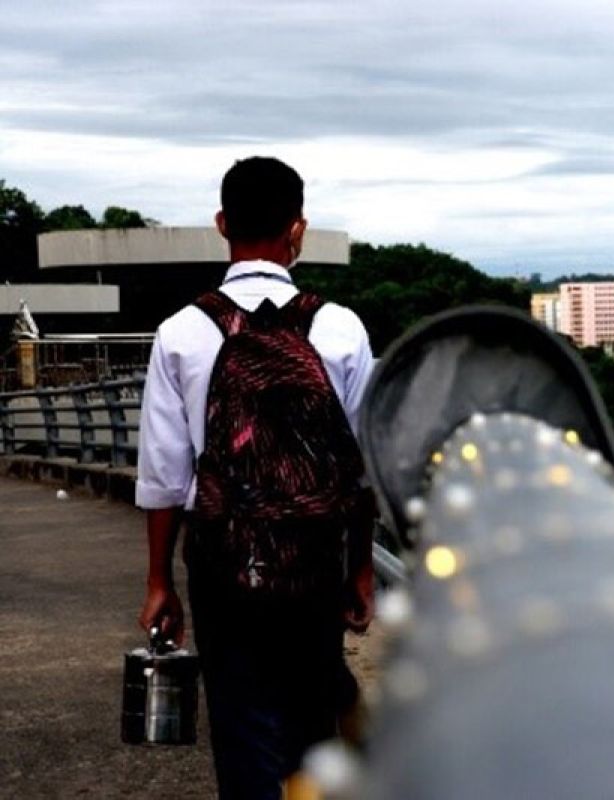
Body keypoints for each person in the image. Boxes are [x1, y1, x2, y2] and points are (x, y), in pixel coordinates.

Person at [136, 156, 375, 798]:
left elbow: (163, 474)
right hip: (314, 562)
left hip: (223, 564)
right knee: (312, 731)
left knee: (243, 730)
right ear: (298, 230)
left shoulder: (180, 333)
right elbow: (363, 468)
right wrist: (360, 569)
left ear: (221, 225)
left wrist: (160, 582)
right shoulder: (341, 329)